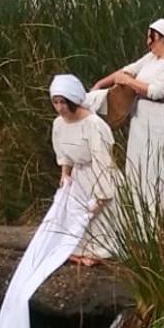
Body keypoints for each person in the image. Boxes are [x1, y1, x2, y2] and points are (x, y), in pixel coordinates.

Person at [91, 18, 164, 224]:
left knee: (157, 169)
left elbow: (157, 91)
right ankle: (135, 223)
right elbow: (127, 70)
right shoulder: (151, 58)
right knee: (137, 167)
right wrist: (100, 84)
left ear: (159, 36)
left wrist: (130, 83)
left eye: (150, 35)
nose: (147, 40)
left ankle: (156, 225)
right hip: (142, 118)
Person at [50, 74, 121, 265]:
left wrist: (100, 197)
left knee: (95, 220)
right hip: (78, 178)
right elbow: (64, 153)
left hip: (97, 176)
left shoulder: (94, 125)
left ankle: (99, 250)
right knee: (73, 221)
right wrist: (65, 174)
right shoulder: (58, 123)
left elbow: (103, 162)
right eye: (55, 102)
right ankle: (77, 249)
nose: (59, 108)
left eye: (63, 102)